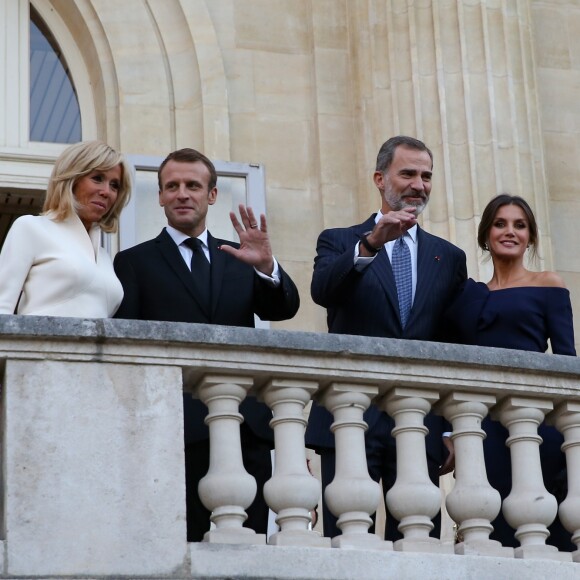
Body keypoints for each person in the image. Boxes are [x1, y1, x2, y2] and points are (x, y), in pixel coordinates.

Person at [113, 147, 300, 542]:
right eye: (173, 186)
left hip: (243, 427)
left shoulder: (241, 258)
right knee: (184, 546)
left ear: (211, 195)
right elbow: (126, 353)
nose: (183, 193)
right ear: (161, 195)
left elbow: (283, 308)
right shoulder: (133, 263)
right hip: (171, 431)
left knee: (246, 550)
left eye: (193, 185)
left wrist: (266, 267)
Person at [305, 135, 467, 540]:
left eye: (426, 176)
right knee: (345, 542)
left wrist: (449, 429)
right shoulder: (340, 240)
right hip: (348, 414)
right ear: (380, 179)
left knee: (416, 545)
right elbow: (323, 291)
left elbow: (451, 345)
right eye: (408, 173)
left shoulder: (447, 257)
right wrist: (372, 242)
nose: (419, 185)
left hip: (419, 419)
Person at [443, 194, 576, 551]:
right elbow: (451, 366)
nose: (510, 232)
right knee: (491, 527)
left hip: (537, 424)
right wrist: (448, 432)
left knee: (546, 527)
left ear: (530, 237)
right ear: (486, 234)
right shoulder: (468, 295)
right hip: (482, 426)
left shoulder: (548, 284)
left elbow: (567, 361)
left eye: (520, 225)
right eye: (500, 224)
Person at [0, 140, 131, 317]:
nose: (106, 191)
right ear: (72, 179)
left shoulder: (104, 257)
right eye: (97, 178)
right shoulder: (31, 228)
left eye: (114, 185)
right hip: (40, 344)